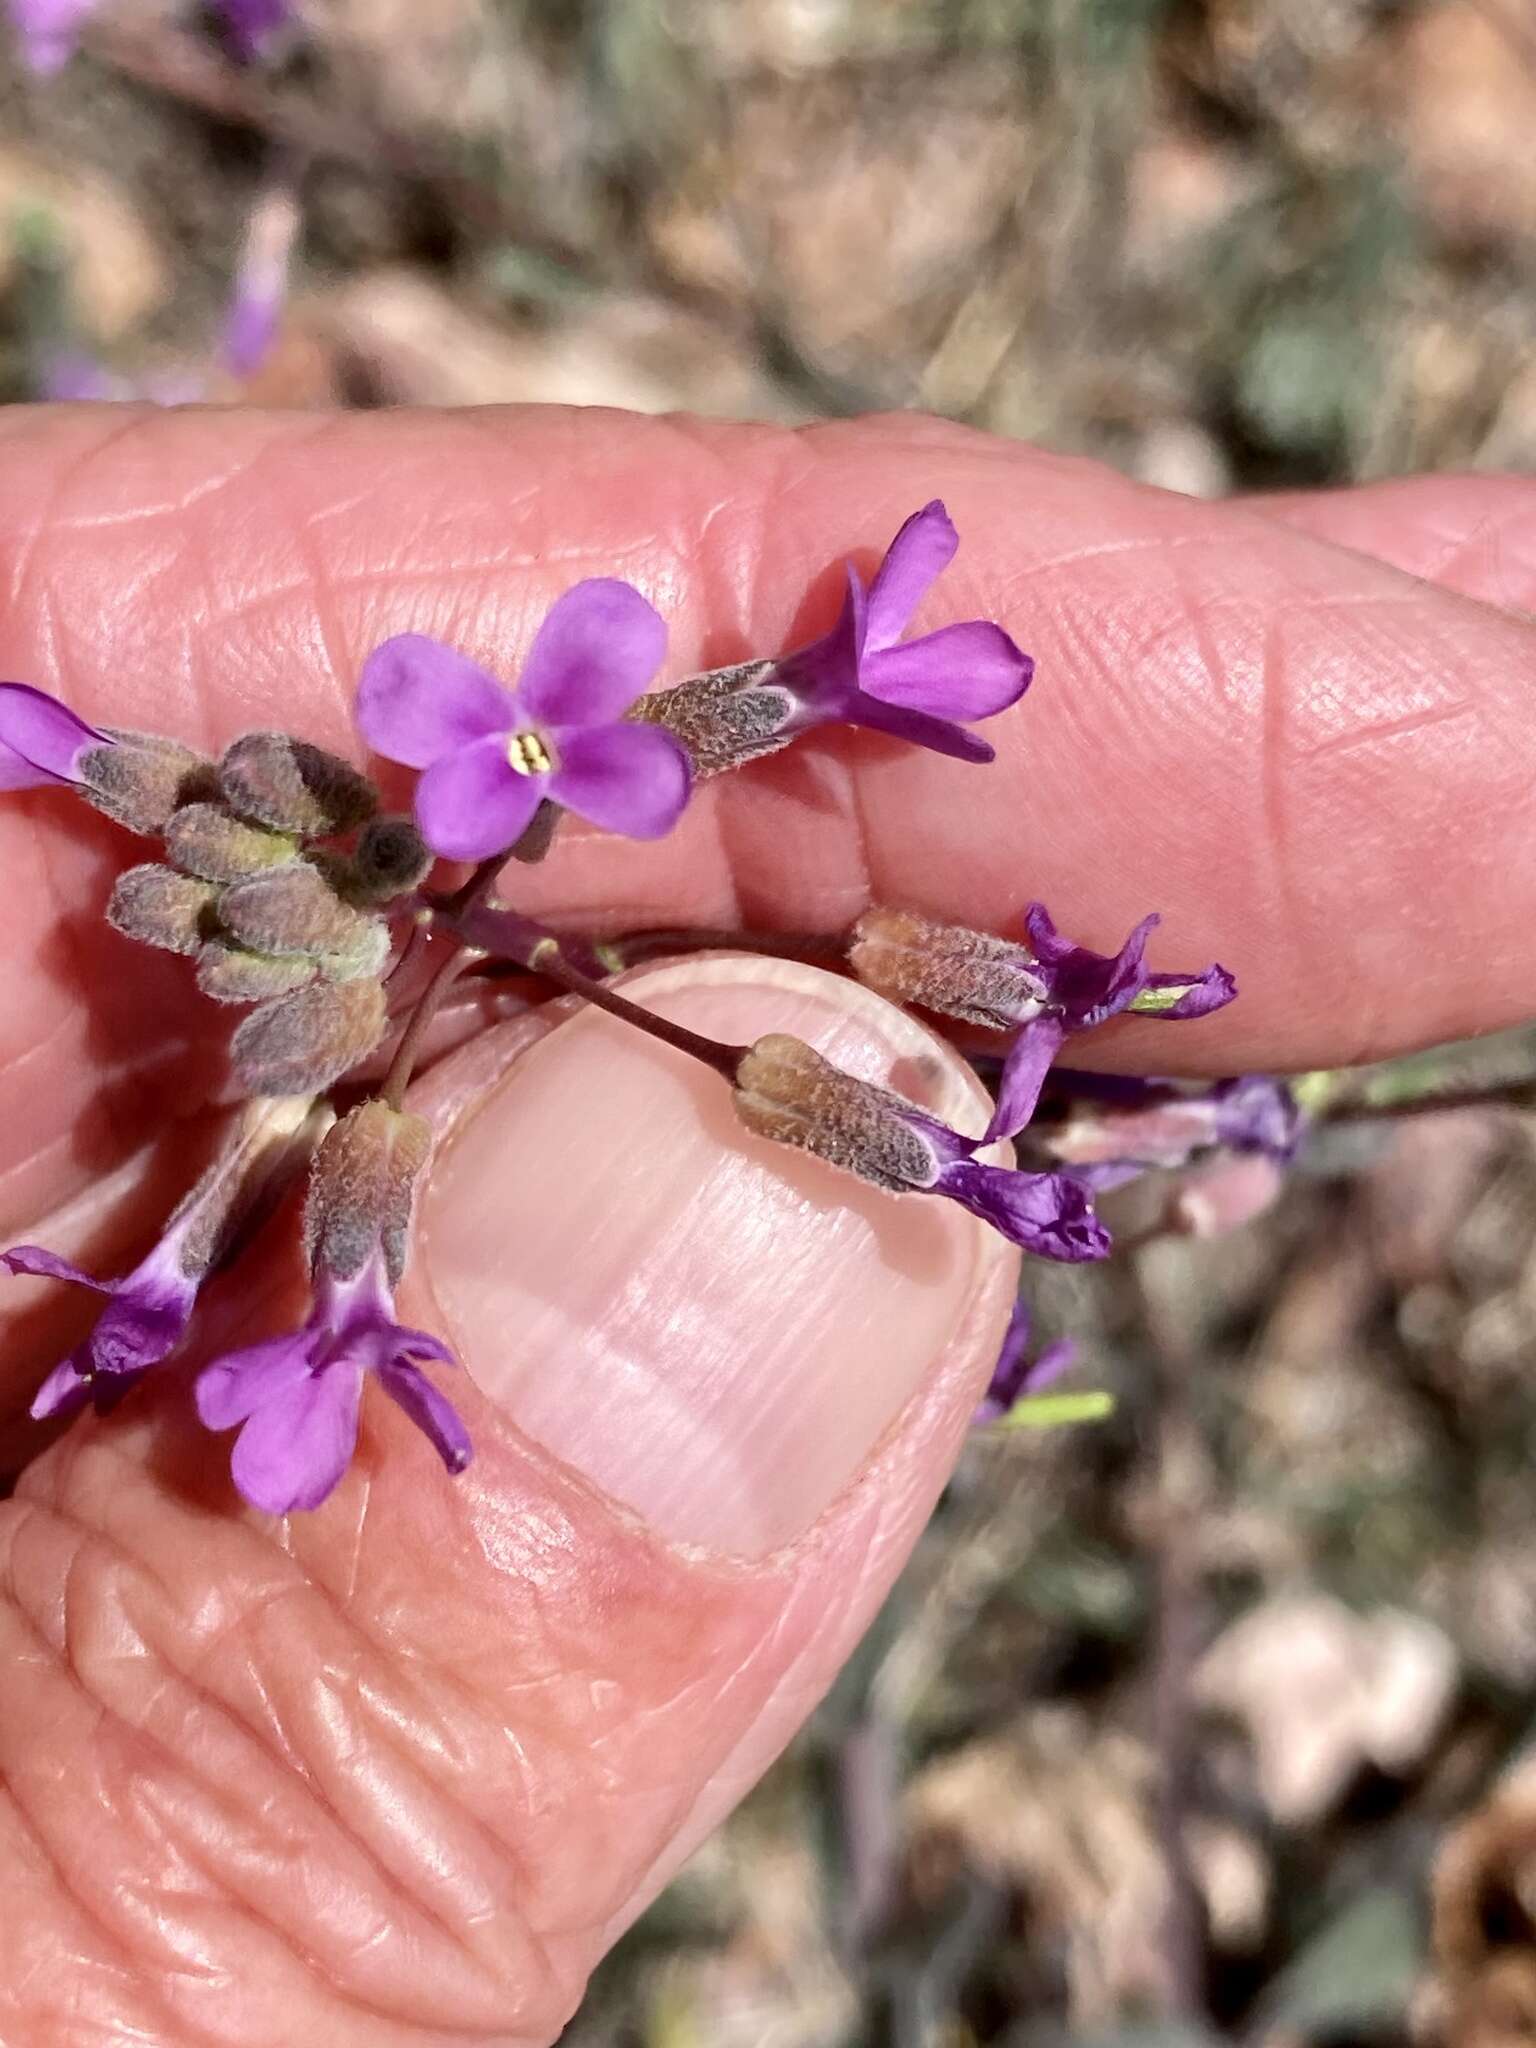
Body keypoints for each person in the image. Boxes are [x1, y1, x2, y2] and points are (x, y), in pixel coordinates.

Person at [0, 402, 1531, 2047]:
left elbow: (537, 807)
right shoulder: (390, 932)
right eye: (517, 760)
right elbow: (409, 860)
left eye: (536, 760)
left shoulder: (581, 772)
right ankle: (282, 1247)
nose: (529, 769)